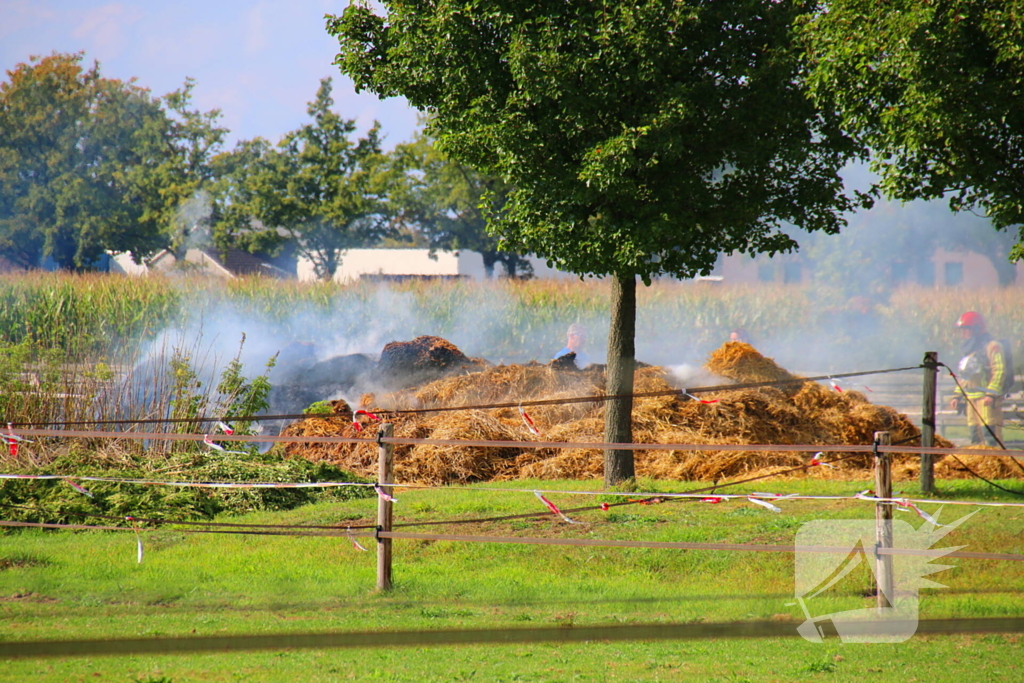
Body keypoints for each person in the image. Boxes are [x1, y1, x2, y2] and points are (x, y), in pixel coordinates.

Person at [947, 311, 1009, 446]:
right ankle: (979, 459)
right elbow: (965, 376)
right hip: (971, 399)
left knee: (990, 434)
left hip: (987, 400)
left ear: (976, 329)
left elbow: (999, 370)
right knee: (975, 435)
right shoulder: (970, 349)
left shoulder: (993, 346)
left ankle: (996, 458)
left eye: (965, 329)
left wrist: (991, 394)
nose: (963, 333)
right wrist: (957, 395)